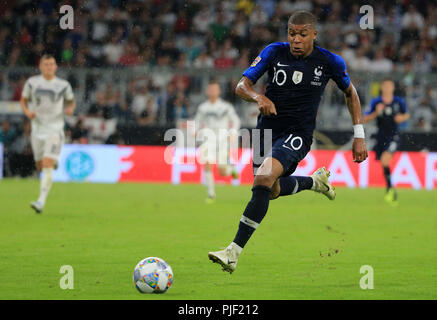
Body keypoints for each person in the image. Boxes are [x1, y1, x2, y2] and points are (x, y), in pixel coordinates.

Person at [208, 11, 368, 273]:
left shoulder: (329, 62)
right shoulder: (274, 52)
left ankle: (233, 252)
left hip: (298, 133)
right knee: (270, 190)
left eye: (302, 34)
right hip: (265, 131)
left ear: (314, 35)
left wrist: (359, 136)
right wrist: (258, 97)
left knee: (263, 178)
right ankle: (314, 182)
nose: (296, 39)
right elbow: (241, 85)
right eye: (292, 33)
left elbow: (350, 94)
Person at [20, 54, 75, 213]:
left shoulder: (63, 85)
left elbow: (71, 101)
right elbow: (23, 100)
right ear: (40, 66)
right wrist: (27, 111)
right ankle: (51, 161)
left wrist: (70, 109)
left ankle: (40, 202)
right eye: (46, 64)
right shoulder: (32, 83)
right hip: (37, 129)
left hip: (55, 130)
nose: (49, 67)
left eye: (52, 64)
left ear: (56, 67)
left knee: (47, 164)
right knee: (39, 165)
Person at [364, 79, 409, 205]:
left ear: (393, 87)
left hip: (393, 135)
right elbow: (365, 118)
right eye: (385, 85)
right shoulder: (376, 102)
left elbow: (406, 115)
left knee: (384, 159)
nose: (387, 87)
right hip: (380, 136)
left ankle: (390, 189)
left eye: (390, 85)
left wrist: (401, 118)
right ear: (382, 87)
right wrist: (376, 113)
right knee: (383, 163)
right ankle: (389, 187)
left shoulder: (399, 101)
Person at [194, 80, 240, 202]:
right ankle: (211, 195)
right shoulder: (203, 108)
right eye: (210, 89)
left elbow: (235, 120)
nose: (212, 91)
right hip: (208, 139)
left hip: (223, 139)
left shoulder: (226, 106)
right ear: (207, 91)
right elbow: (197, 121)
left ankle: (231, 170)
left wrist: (233, 132)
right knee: (207, 164)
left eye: (214, 89)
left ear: (219, 91)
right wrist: (195, 130)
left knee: (222, 171)